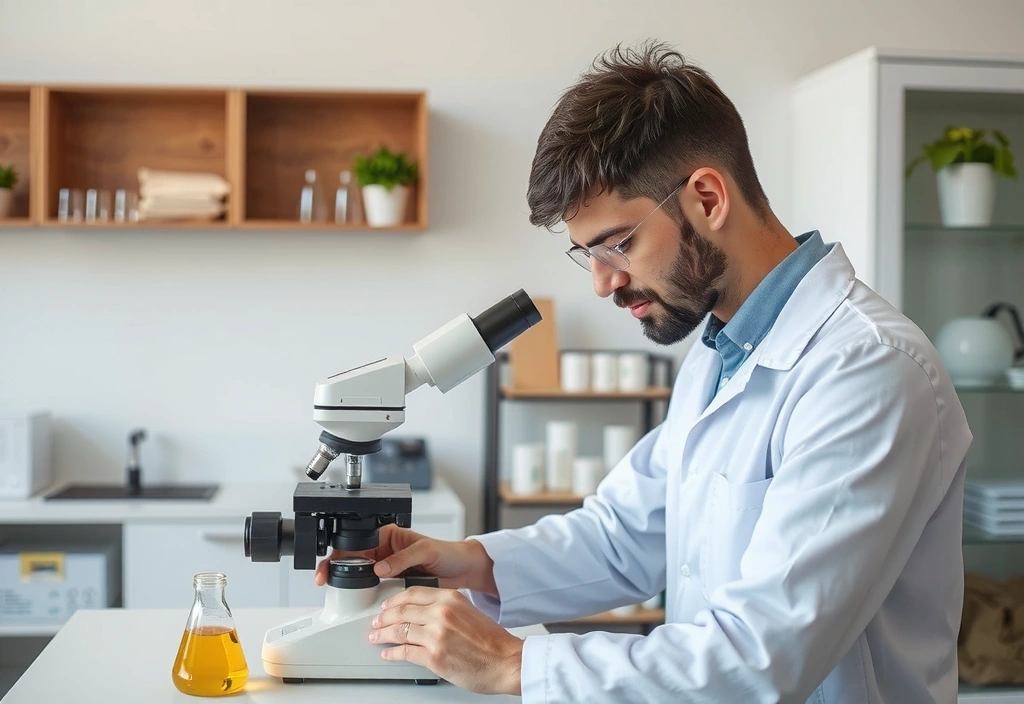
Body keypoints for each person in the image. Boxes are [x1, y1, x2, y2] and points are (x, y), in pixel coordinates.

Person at [314, 40, 973, 703]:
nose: (603, 283)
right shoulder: (722, 350)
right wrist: (468, 562)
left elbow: (763, 656)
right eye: (588, 253)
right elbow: (623, 537)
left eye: (620, 244)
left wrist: (517, 665)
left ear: (708, 197)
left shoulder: (867, 370)